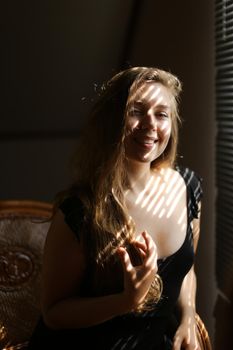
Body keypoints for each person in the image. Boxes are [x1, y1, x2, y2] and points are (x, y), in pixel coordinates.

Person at [28, 66, 203, 349]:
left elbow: (186, 269)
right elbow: (54, 314)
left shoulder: (188, 188)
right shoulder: (79, 213)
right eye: (136, 110)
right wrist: (125, 301)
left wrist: (188, 315)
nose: (150, 124)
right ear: (111, 121)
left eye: (161, 114)